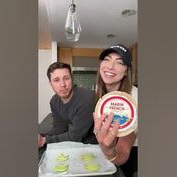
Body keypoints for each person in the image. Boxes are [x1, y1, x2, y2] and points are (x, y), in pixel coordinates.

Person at [93, 44, 138, 177]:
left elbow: (122, 154)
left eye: (119, 62)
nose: (110, 66)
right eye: (107, 59)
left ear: (126, 71)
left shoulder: (134, 100)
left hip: (131, 155)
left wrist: (108, 151)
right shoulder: (99, 89)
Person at [38, 62, 97, 147]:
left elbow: (76, 136)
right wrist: (42, 136)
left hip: (93, 144)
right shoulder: (54, 101)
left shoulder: (87, 98)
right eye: (56, 80)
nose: (63, 85)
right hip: (72, 141)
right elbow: (59, 128)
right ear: (50, 84)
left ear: (72, 79)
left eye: (66, 78)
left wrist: (44, 141)